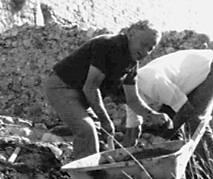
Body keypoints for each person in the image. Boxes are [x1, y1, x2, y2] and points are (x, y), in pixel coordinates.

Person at [43, 20, 171, 159]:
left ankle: (59, 142)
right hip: (62, 87)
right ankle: (86, 176)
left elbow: (132, 99)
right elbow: (91, 87)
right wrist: (105, 119)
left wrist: (152, 115)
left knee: (101, 132)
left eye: (150, 48)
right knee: (87, 129)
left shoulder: (131, 64)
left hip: (81, 97)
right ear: (131, 34)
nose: (145, 51)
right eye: (143, 44)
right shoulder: (108, 45)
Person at [122, 48, 213, 178]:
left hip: (210, 68)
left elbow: (186, 110)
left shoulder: (152, 84)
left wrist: (162, 138)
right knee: (166, 125)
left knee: (195, 122)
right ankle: (179, 175)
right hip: (182, 83)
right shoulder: (129, 96)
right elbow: (132, 129)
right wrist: (123, 157)